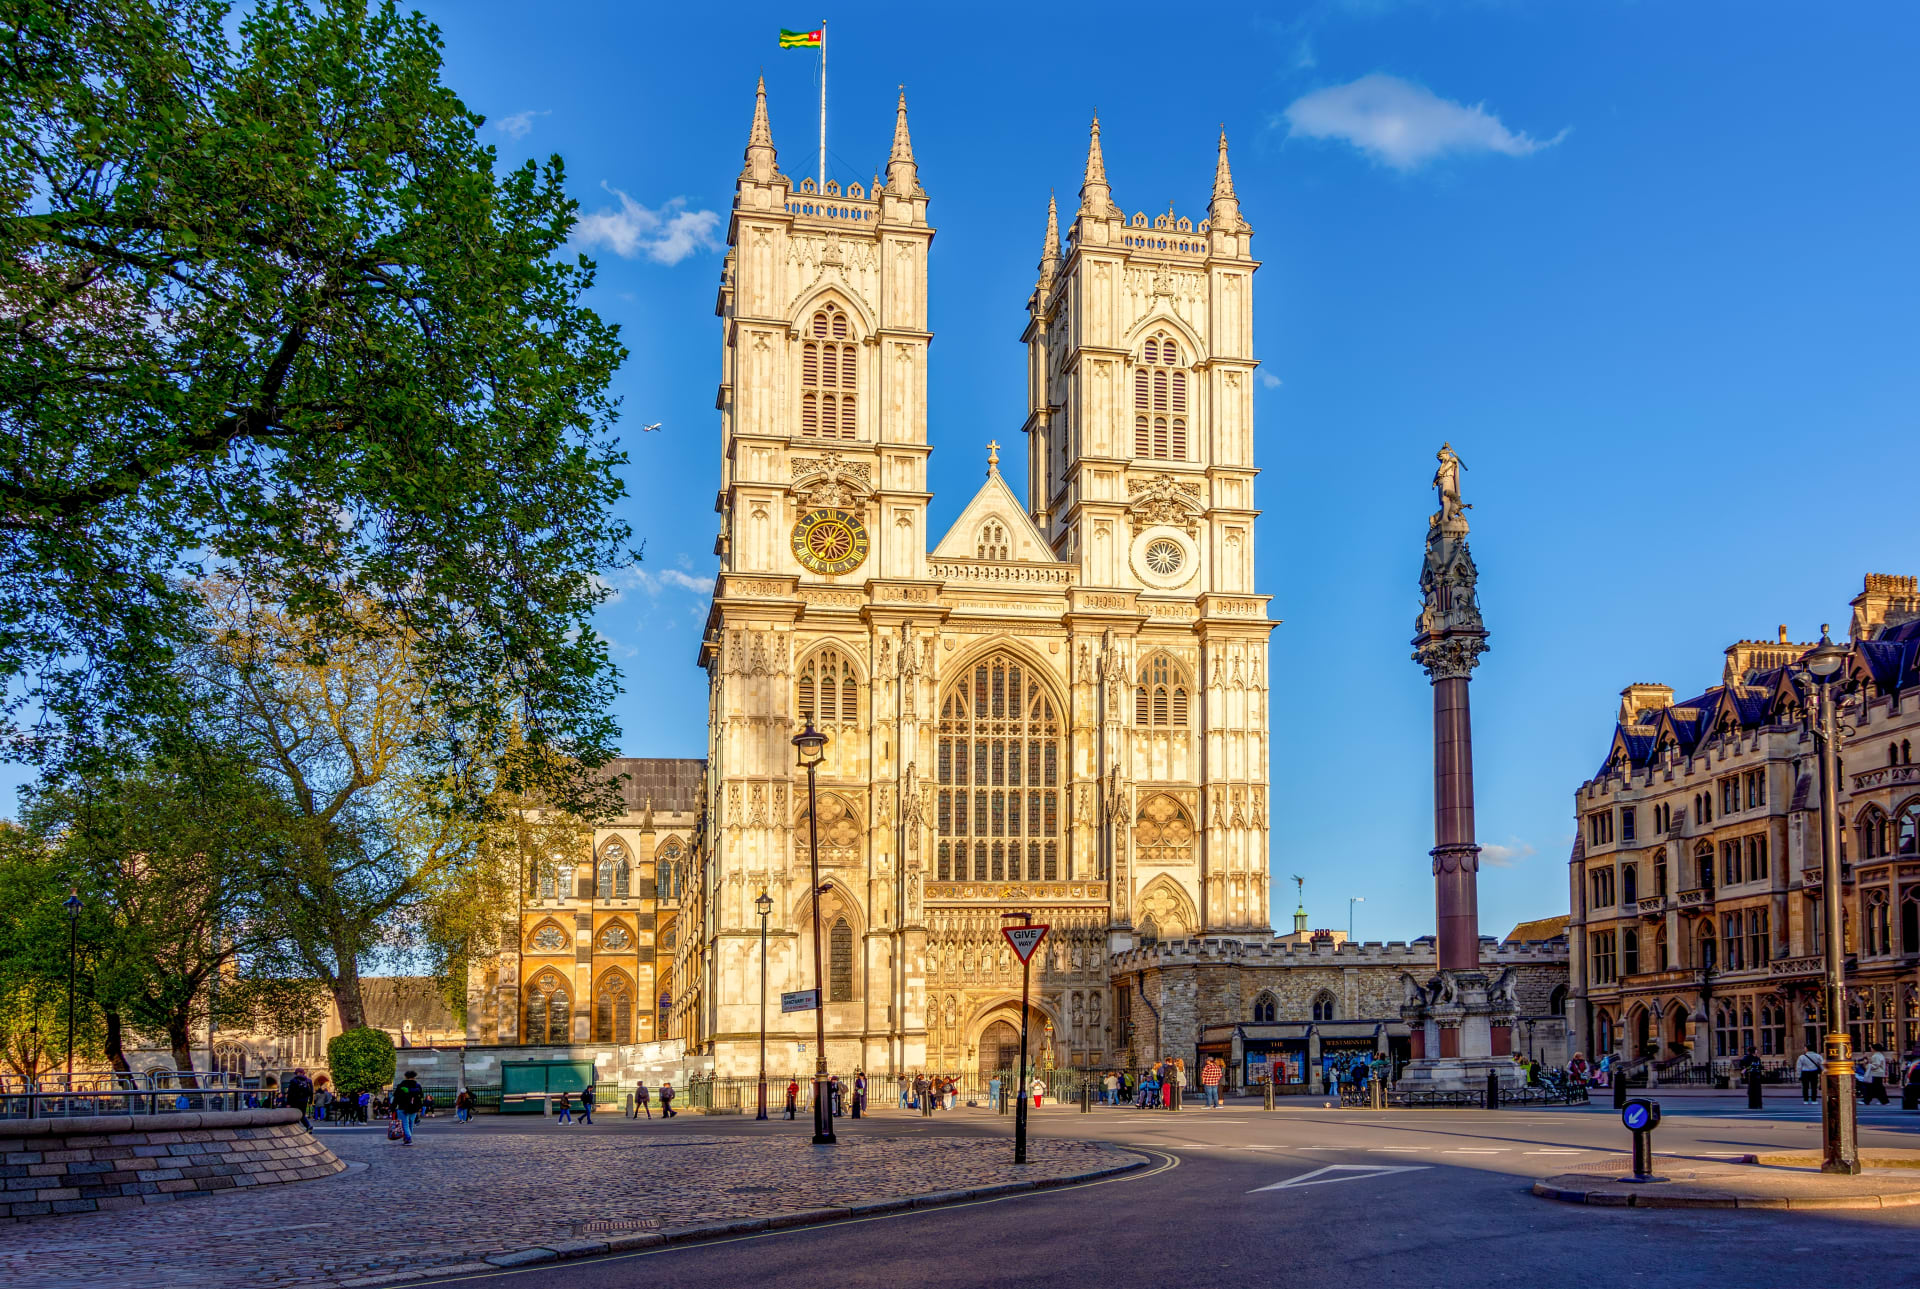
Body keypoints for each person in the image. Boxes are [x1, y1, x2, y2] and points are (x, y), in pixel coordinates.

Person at [392, 1071, 425, 1146]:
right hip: (414, 1107)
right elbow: (421, 1096)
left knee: (405, 1124)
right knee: (411, 1123)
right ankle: (407, 1137)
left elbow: (396, 1098)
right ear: (414, 1077)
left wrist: (392, 1107)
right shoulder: (417, 1086)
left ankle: (408, 1138)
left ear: (405, 1077)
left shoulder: (401, 1085)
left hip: (402, 1106)